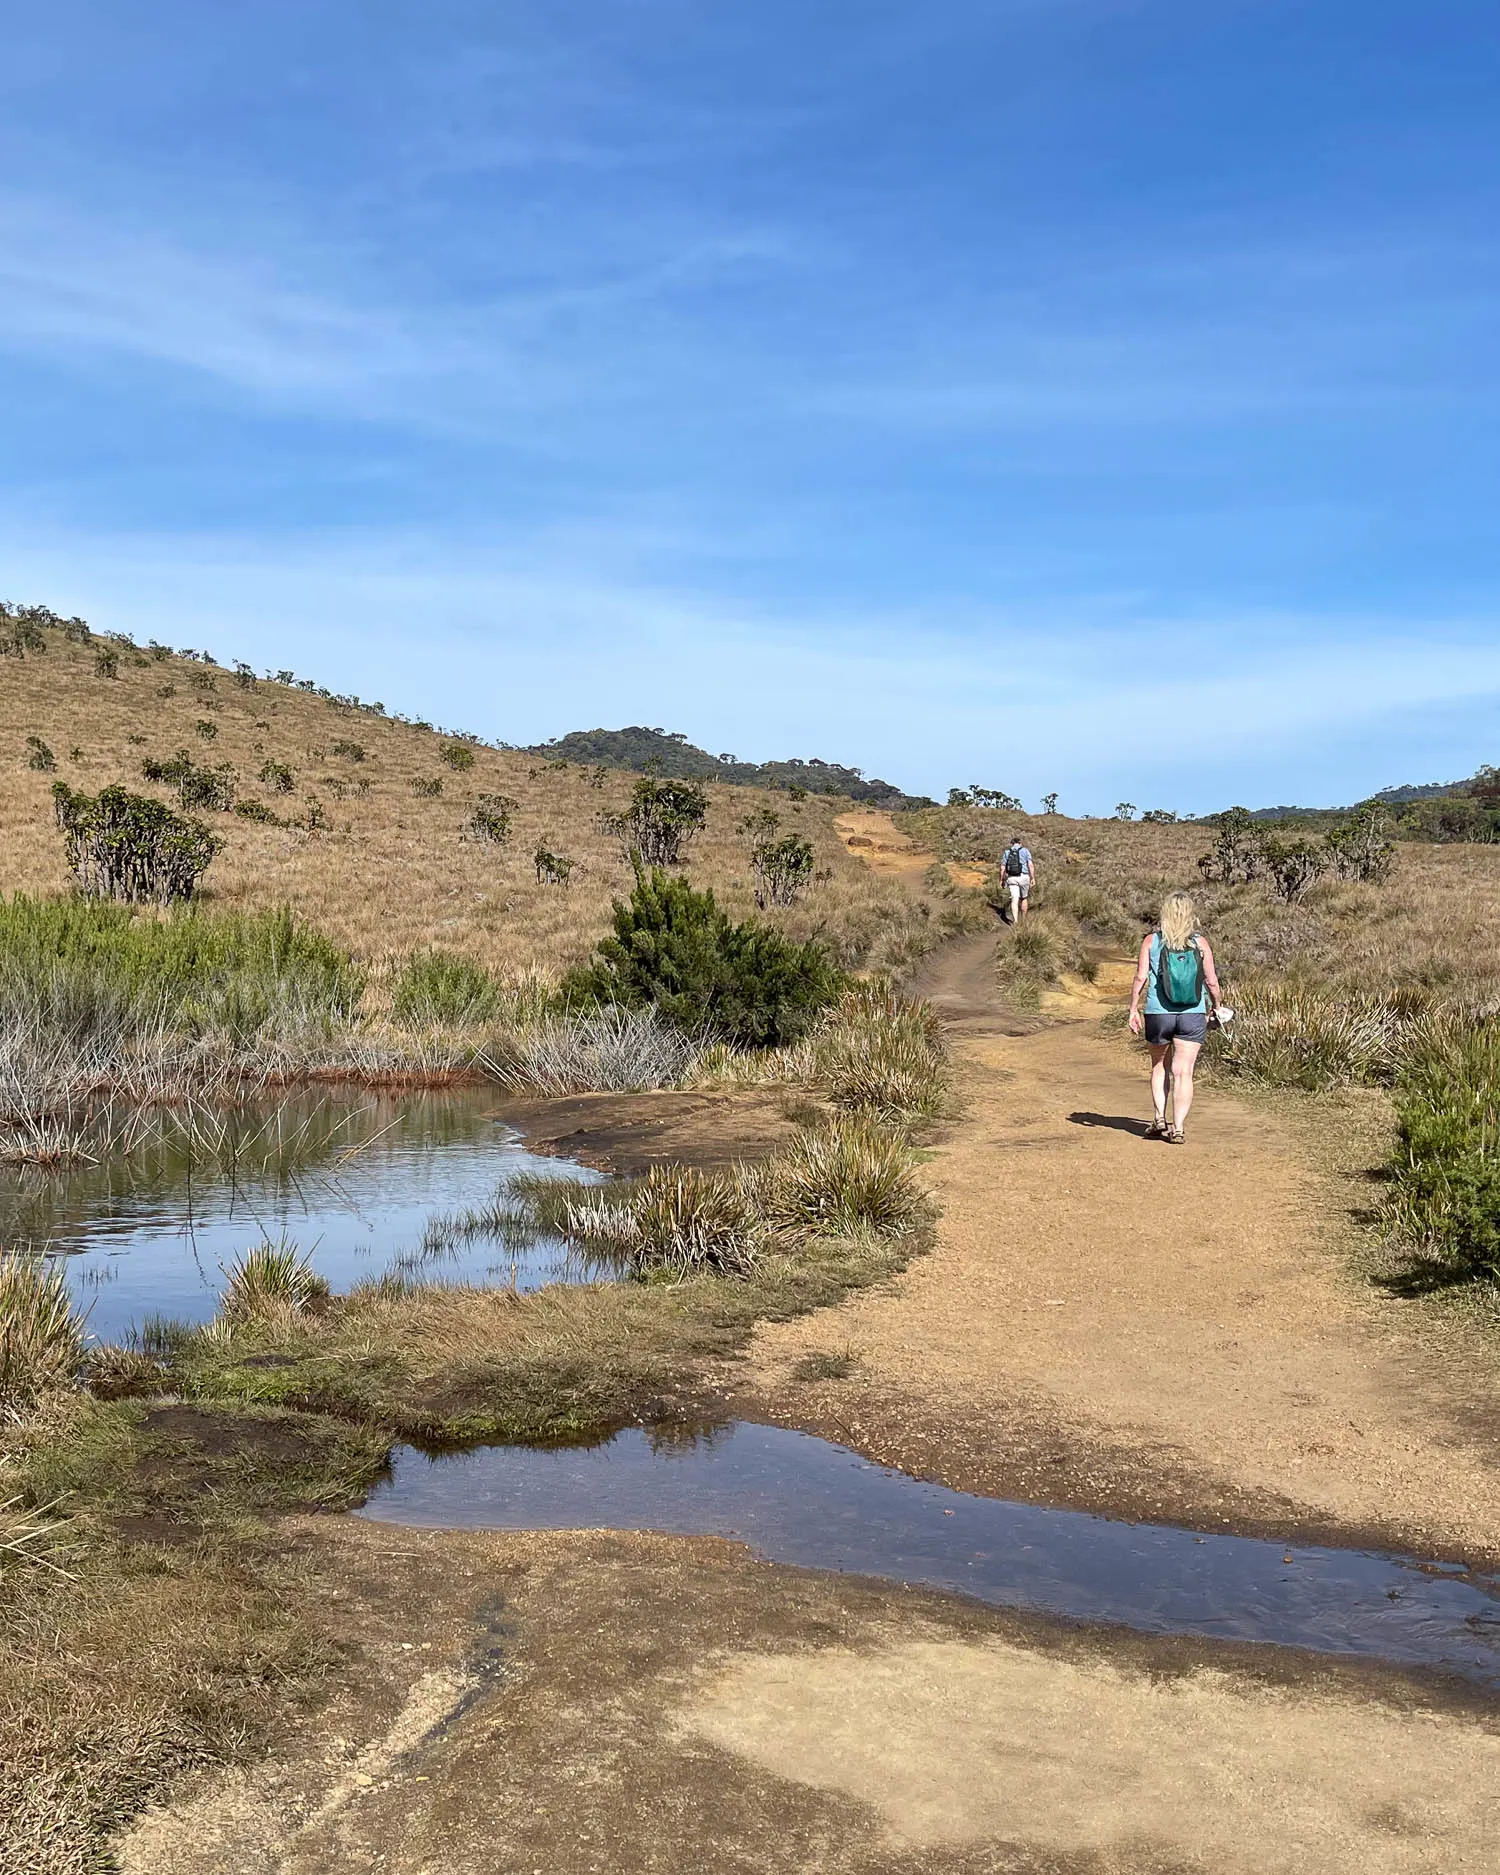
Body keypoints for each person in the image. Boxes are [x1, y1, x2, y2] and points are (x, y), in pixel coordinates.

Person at [1126, 890, 1222, 1144]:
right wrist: (1217, 1006)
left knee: (1159, 1066)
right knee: (1183, 1072)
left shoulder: (1151, 941)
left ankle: (1159, 1117)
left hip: (1159, 1013)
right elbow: (1211, 981)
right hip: (1192, 1014)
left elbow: (1140, 977)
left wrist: (1133, 1008)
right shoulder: (1200, 944)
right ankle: (1177, 1128)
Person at [1000, 835, 1035, 922]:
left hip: (1012, 878)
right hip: (1024, 877)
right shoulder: (1025, 851)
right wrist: (1032, 877)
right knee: (1024, 898)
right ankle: (1023, 919)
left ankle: (1015, 921)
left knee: (1014, 899)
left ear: (1011, 844)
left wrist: (1002, 879)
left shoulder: (1007, 852)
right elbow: (1030, 865)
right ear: (1020, 843)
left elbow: (1003, 868)